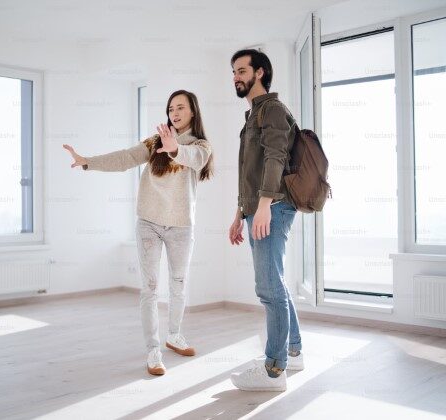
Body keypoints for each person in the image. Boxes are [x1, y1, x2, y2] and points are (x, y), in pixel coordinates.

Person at [63, 90, 213, 376]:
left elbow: (195, 158)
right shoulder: (154, 142)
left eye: (181, 107)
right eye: (171, 108)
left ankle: (174, 335)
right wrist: (87, 161)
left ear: (193, 111)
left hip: (181, 225)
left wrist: (174, 148)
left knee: (179, 283)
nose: (175, 113)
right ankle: (153, 349)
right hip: (149, 223)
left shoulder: (201, 145)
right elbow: (125, 158)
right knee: (151, 288)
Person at [228, 49, 304, 392]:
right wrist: (239, 213)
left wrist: (263, 207)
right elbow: (250, 171)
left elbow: (276, 158)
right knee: (276, 283)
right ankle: (294, 350)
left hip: (272, 207)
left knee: (268, 288)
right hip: (258, 206)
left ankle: (275, 370)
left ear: (260, 72)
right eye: (234, 72)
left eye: (242, 70)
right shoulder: (253, 114)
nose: (236, 77)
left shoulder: (271, 109)